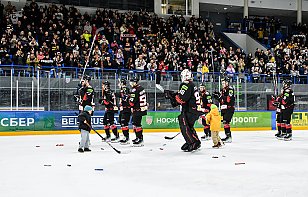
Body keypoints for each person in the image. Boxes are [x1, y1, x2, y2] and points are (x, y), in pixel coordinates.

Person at [173, 69, 202, 152]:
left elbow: (182, 98)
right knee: (189, 126)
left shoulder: (186, 84)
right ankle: (194, 141)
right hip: (195, 109)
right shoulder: (192, 85)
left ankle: (192, 142)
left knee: (184, 126)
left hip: (190, 110)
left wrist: (173, 98)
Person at [213, 77, 235, 143]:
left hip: (229, 108)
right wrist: (217, 97)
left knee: (226, 122)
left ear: (227, 83)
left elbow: (228, 99)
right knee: (224, 122)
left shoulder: (230, 89)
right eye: (222, 83)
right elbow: (221, 101)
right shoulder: (222, 90)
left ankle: (229, 137)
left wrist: (221, 97)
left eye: (224, 83)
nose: (223, 84)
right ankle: (227, 136)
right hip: (223, 109)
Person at [129, 76, 148, 146]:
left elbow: (132, 102)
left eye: (132, 82)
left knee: (137, 124)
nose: (130, 83)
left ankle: (140, 139)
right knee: (136, 124)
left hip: (137, 109)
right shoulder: (141, 88)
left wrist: (128, 99)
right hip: (141, 108)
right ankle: (138, 137)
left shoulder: (135, 90)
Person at [116, 78, 132, 144]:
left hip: (127, 109)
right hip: (123, 109)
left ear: (122, 83)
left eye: (119, 83)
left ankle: (126, 137)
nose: (118, 85)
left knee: (124, 122)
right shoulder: (122, 90)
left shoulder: (125, 89)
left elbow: (125, 97)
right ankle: (125, 136)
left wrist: (116, 94)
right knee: (121, 122)